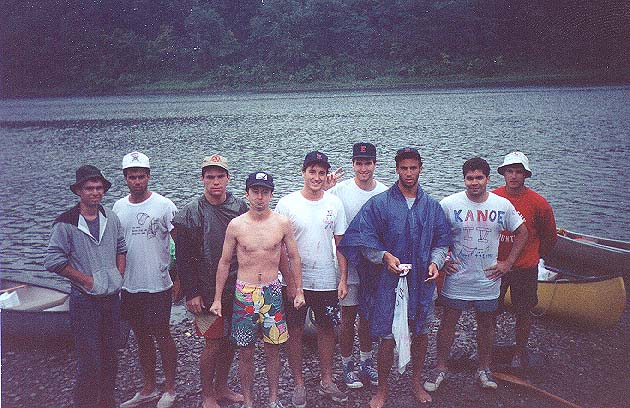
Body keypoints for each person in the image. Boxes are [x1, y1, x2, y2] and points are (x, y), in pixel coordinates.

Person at [339, 147, 452, 407]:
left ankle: (415, 382)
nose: (409, 173)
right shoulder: (380, 204)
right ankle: (382, 389)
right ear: (396, 169)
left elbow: (441, 241)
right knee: (387, 335)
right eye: (404, 168)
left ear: (421, 169)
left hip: (422, 281)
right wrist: (383, 256)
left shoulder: (432, 206)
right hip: (389, 282)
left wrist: (435, 263)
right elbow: (361, 238)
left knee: (421, 331)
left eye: (413, 168)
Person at [424, 157, 528, 393]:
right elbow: (434, 235)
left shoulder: (502, 205)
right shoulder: (449, 204)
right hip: (458, 277)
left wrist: (508, 263)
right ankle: (440, 368)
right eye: (469, 178)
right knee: (448, 322)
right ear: (464, 180)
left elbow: (523, 232)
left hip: (488, 279)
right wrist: (442, 262)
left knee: (487, 323)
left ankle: (483, 369)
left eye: (479, 178)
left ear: (488, 179)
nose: (474, 182)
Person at [209, 171, 305, 408]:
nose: (260, 197)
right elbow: (224, 262)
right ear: (247, 194)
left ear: (271, 195)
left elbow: (293, 257)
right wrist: (217, 298)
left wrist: (298, 290)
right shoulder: (236, 225)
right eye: (255, 192)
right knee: (246, 351)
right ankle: (249, 402)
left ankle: (273, 399)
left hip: (272, 292)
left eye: (265, 192)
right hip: (245, 293)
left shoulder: (282, 223)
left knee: (273, 348)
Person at [44, 165, 126, 408]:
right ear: (79, 191)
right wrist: (85, 280)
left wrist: (119, 274)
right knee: (89, 361)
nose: (95, 192)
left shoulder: (111, 217)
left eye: (99, 188)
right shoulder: (65, 223)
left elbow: (121, 247)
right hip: (84, 300)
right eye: (89, 188)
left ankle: (107, 401)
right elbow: (53, 261)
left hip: (111, 298)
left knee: (111, 355)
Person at [172, 154, 247, 408]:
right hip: (204, 292)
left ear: (228, 178)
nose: (215, 181)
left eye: (220, 176)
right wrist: (191, 292)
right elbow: (183, 259)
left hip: (236, 287)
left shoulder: (240, 207)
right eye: (210, 177)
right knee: (212, 343)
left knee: (231, 341)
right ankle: (207, 395)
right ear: (202, 179)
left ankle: (222, 386)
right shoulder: (189, 214)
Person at [276, 151, 349, 407]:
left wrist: (343, 278)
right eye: (312, 172)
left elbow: (340, 244)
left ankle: (326, 380)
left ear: (326, 175)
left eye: (321, 173)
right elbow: (280, 247)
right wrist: (289, 281)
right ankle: (299, 384)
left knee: (327, 329)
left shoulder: (334, 203)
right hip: (295, 281)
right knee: (294, 330)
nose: (316, 177)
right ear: (303, 173)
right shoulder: (287, 204)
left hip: (326, 278)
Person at [113, 152, 179, 408]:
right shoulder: (118, 207)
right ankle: (149, 387)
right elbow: (115, 246)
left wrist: (179, 278)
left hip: (158, 284)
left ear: (149, 176)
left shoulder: (164, 205)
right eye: (132, 177)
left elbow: (180, 243)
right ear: (125, 178)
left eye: (141, 176)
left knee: (162, 334)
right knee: (140, 336)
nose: (137, 181)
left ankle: (170, 388)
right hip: (130, 285)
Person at [328, 142, 387, 389]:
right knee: (348, 315)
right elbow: (318, 205)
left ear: (375, 164)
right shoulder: (338, 190)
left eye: (368, 163)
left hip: (373, 265)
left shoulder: (385, 192)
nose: (364, 168)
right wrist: (325, 187)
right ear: (353, 164)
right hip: (347, 264)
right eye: (359, 163)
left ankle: (366, 361)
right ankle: (346, 364)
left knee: (367, 315)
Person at [493, 152, 557, 367]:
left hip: (525, 267)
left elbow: (550, 237)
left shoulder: (539, 204)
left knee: (524, 311)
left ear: (526, 175)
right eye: (509, 171)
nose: (513, 176)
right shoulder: (493, 198)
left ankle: (520, 351)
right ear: (503, 173)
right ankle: (486, 349)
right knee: (489, 310)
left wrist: (534, 255)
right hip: (496, 266)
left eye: (518, 172)